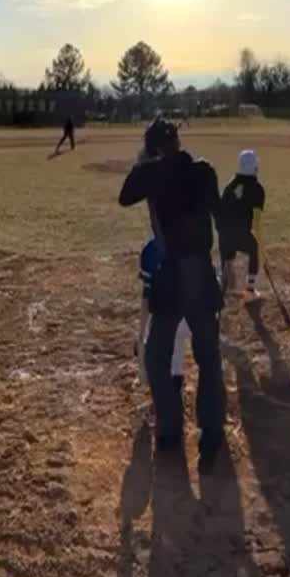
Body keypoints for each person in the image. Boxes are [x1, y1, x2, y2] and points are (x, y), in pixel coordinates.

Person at [118, 118, 227, 471]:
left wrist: (144, 163)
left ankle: (169, 429)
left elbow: (125, 196)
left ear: (153, 149)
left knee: (156, 356)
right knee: (209, 356)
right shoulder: (204, 172)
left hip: (171, 275)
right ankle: (211, 433)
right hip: (201, 272)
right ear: (178, 143)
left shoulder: (152, 173)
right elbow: (221, 218)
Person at [137, 237, 191, 395]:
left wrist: (141, 334)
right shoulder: (194, 239)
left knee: (169, 352)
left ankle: (173, 388)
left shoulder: (152, 249)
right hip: (200, 314)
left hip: (169, 318)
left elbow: (146, 296)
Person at [217, 149, 267, 298]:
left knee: (228, 260)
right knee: (253, 249)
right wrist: (262, 248)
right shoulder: (257, 189)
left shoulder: (230, 185)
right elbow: (256, 223)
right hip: (242, 234)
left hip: (224, 234)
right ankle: (250, 289)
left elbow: (221, 212)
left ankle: (224, 288)